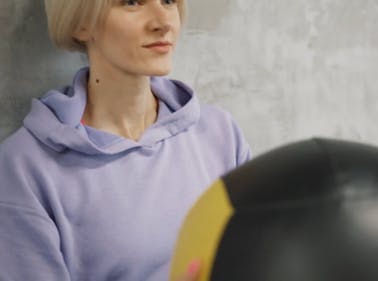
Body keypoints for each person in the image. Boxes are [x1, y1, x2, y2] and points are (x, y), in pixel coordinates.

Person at [0, 0, 250, 280]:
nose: (163, 21)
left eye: (168, 1)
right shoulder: (25, 169)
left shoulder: (220, 134)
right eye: (132, 2)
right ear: (81, 24)